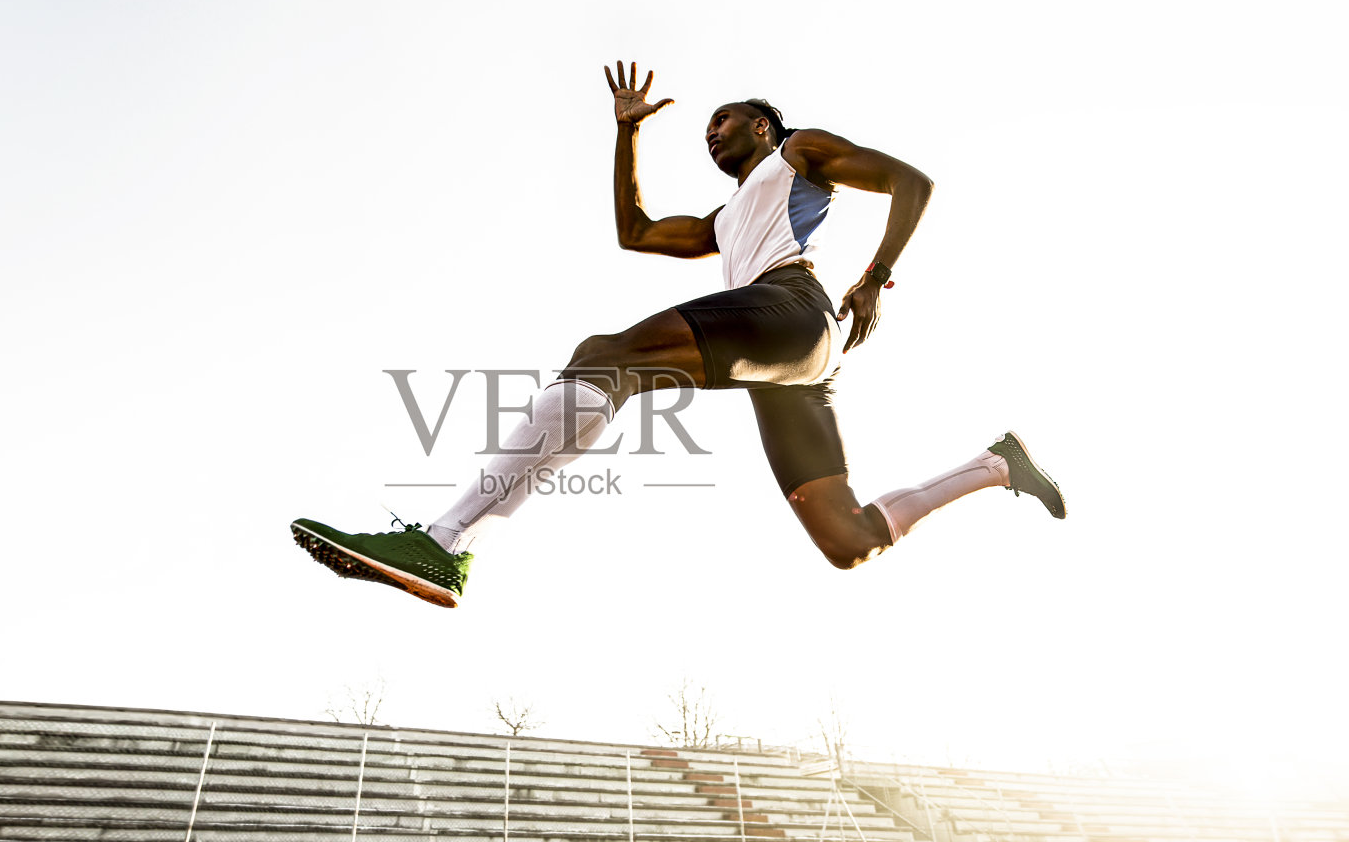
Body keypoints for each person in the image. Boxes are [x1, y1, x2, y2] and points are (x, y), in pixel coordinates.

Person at [292, 61, 1064, 607]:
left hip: (795, 313)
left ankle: (446, 542)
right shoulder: (725, 220)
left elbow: (912, 182)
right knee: (847, 539)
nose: (710, 133)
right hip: (788, 364)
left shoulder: (799, 154)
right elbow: (635, 231)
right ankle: (998, 465)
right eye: (703, 130)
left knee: (603, 357)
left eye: (721, 121)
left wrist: (875, 276)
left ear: (763, 126)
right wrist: (627, 134)